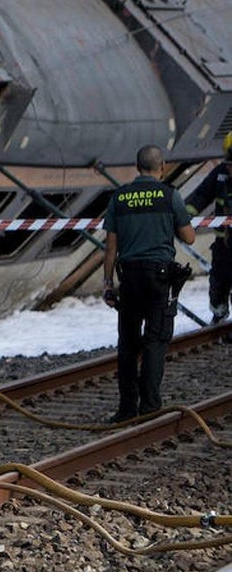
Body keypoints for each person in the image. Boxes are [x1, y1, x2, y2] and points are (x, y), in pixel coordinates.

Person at [102, 144, 196, 423]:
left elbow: (110, 248)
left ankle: (127, 408)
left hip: (129, 278)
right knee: (155, 340)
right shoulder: (170, 196)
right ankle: (151, 407)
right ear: (162, 166)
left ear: (137, 166)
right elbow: (189, 237)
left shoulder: (119, 198)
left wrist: (108, 284)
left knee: (128, 343)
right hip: (159, 277)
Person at [184, 133, 232, 323]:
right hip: (224, 243)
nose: (230, 169)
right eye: (229, 164)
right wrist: (186, 215)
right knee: (218, 282)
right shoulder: (220, 173)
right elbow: (202, 196)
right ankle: (219, 316)